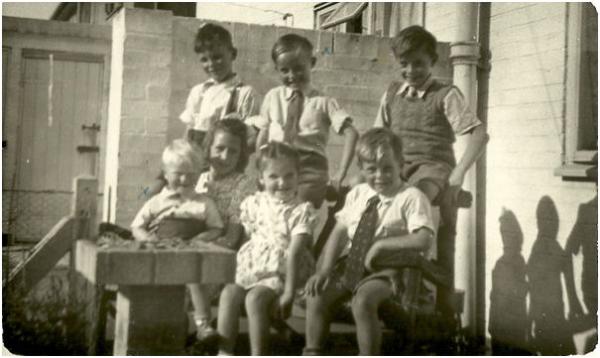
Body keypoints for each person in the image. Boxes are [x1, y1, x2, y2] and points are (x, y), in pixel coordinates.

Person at [303, 128, 436, 355]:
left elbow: (423, 239)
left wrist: (381, 246)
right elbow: (340, 232)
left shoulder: (410, 197)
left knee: (363, 301)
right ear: (362, 169)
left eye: (387, 169)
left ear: (400, 164)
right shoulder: (358, 193)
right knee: (317, 294)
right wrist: (324, 270)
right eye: (371, 169)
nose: (380, 176)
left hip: (390, 270)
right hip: (351, 265)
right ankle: (313, 352)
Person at [217, 142, 317, 355]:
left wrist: (289, 293)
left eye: (289, 175)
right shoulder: (254, 203)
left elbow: (295, 253)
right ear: (261, 178)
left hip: (284, 273)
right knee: (229, 293)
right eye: (274, 176)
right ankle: (224, 352)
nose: (282, 183)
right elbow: (248, 239)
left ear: (298, 176)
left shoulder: (300, 210)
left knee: (255, 299)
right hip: (254, 268)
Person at [374, 25, 488, 207]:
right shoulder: (391, 94)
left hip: (433, 170)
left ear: (432, 61)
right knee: (361, 191)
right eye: (404, 63)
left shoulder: (445, 94)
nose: (410, 70)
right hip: (399, 167)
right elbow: (377, 136)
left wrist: (459, 172)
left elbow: (480, 135)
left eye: (418, 63)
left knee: (415, 198)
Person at [147, 22, 259, 197]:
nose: (212, 64)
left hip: (222, 162)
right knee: (158, 187)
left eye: (217, 57)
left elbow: (249, 140)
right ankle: (143, 205)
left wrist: (227, 156)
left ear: (233, 54)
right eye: (204, 60)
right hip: (194, 157)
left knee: (210, 205)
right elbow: (188, 133)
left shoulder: (244, 93)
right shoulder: (199, 91)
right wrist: (180, 160)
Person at [130, 139, 224, 341]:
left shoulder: (204, 203)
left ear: (199, 175)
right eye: (178, 174)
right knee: (165, 294)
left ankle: (203, 324)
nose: (184, 179)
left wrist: (202, 238)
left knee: (193, 275)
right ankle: (170, 331)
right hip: (163, 252)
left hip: (191, 254)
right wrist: (148, 238)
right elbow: (136, 226)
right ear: (165, 174)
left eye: (191, 175)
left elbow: (217, 228)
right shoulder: (156, 202)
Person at [254, 33, 358, 209]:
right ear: (277, 69)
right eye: (284, 70)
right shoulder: (273, 97)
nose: (292, 75)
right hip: (278, 167)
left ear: (312, 63)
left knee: (299, 210)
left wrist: (340, 173)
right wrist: (260, 168)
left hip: (310, 170)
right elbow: (263, 133)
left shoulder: (324, 101)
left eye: (298, 68)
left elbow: (351, 133)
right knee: (268, 210)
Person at [195, 118, 257, 250]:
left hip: (221, 250)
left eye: (233, 151)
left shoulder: (243, 185)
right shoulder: (197, 179)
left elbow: (232, 238)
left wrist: (196, 246)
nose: (225, 157)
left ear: (240, 154)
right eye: (220, 148)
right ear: (209, 147)